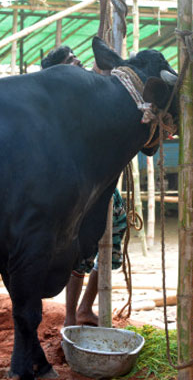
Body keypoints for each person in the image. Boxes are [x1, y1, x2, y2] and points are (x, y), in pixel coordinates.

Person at [40, 47, 127, 326]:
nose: (78, 63)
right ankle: (69, 316)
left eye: (77, 58)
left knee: (113, 234)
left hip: (100, 183)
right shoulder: (60, 102)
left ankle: (84, 309)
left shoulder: (88, 92)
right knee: (78, 248)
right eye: (70, 62)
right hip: (78, 185)